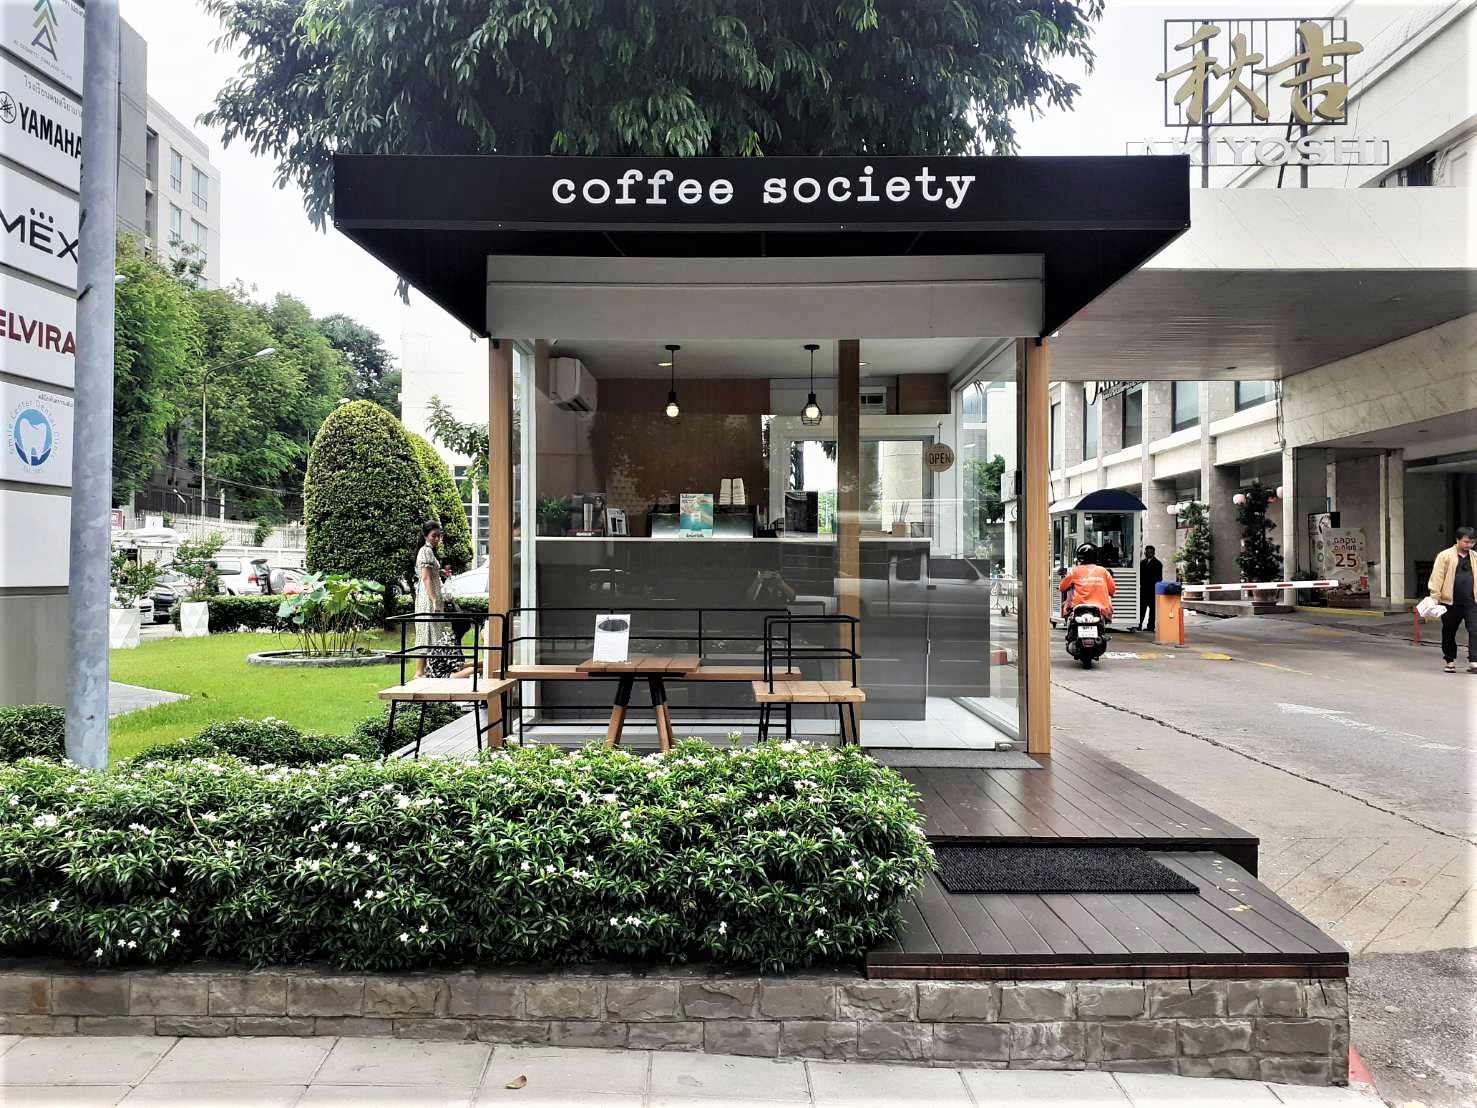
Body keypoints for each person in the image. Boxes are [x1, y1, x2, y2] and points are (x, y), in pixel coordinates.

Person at [413, 520, 475, 680]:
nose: (436, 539)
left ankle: (427, 670)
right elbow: (426, 578)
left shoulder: (429, 551)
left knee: (433, 631)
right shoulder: (425, 551)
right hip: (428, 597)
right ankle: (420, 671)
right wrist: (434, 600)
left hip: (433, 595)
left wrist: (440, 573)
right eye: (433, 536)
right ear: (425, 535)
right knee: (427, 630)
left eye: (438, 536)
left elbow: (430, 574)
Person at [1428, 526, 1476, 673]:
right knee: (1449, 631)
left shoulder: (1475, 557)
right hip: (1450, 602)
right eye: (1466, 542)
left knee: (1475, 630)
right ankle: (1450, 660)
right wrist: (1435, 597)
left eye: (1472, 542)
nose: (1469, 545)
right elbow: (1437, 577)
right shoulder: (1445, 556)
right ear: (1457, 540)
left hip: (1471, 602)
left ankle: (1474, 661)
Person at [1059, 542, 1117, 624]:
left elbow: (1062, 587)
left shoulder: (1074, 571)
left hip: (1078, 608)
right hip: (1101, 609)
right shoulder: (1104, 571)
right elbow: (1112, 590)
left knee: (1066, 609)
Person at [1139, 544, 1164, 632]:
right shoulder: (1142, 563)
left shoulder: (1158, 564)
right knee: (1141, 608)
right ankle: (1138, 624)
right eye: (1147, 552)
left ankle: (1150, 626)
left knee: (1152, 609)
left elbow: (1159, 578)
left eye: (1150, 552)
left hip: (1153, 590)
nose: (1148, 554)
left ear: (1153, 553)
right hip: (1144, 589)